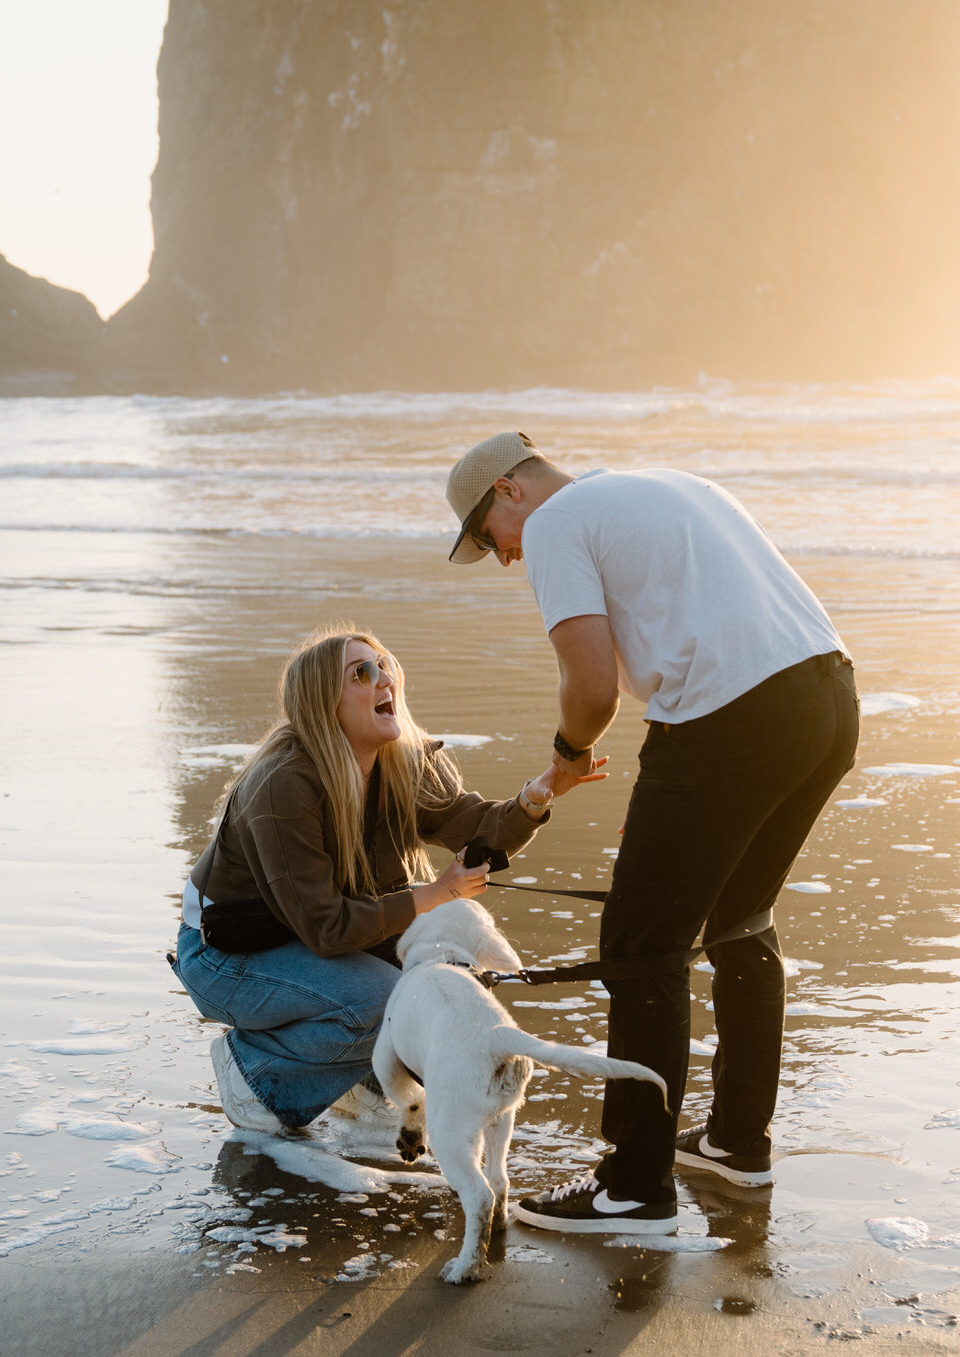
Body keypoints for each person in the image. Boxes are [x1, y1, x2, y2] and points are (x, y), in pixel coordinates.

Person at [445, 432, 859, 1236]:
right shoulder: (666, 483)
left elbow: (593, 688)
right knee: (742, 920)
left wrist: (568, 754)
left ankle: (634, 1187)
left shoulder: (557, 523)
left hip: (731, 722)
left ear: (508, 492)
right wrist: (669, 788)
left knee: (641, 943)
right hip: (828, 700)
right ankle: (739, 1142)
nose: (501, 559)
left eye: (488, 538)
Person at [170, 626, 605, 1135]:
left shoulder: (401, 762)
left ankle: (365, 1080)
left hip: (309, 938)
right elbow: (327, 929)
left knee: (447, 968)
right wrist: (437, 892)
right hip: (226, 957)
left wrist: (539, 794)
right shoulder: (283, 783)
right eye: (361, 672)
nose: (384, 680)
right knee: (386, 1000)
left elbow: (478, 827)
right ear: (322, 704)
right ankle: (256, 1074)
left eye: (385, 665)